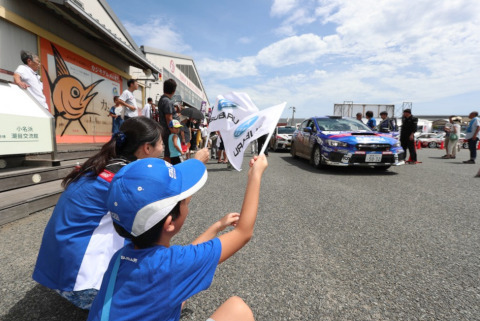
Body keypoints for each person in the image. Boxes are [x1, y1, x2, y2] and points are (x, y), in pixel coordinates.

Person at [87, 154, 267, 321]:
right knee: (238, 308)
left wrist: (217, 227)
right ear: (169, 223)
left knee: (179, 296)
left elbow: (183, 261)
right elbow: (243, 232)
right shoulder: (173, 266)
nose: (188, 202)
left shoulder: (119, 258)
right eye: (184, 201)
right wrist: (255, 175)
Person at [32, 117, 163, 310]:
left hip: (55, 270)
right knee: (152, 234)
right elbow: (164, 213)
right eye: (160, 144)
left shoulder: (102, 165)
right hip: (79, 285)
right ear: (147, 148)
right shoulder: (127, 179)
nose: (163, 149)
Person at [158, 79, 178, 162]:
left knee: (168, 151)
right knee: (169, 153)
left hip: (164, 129)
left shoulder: (162, 99)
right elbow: (169, 118)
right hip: (169, 131)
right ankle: (167, 171)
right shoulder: (168, 101)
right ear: (173, 91)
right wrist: (173, 131)